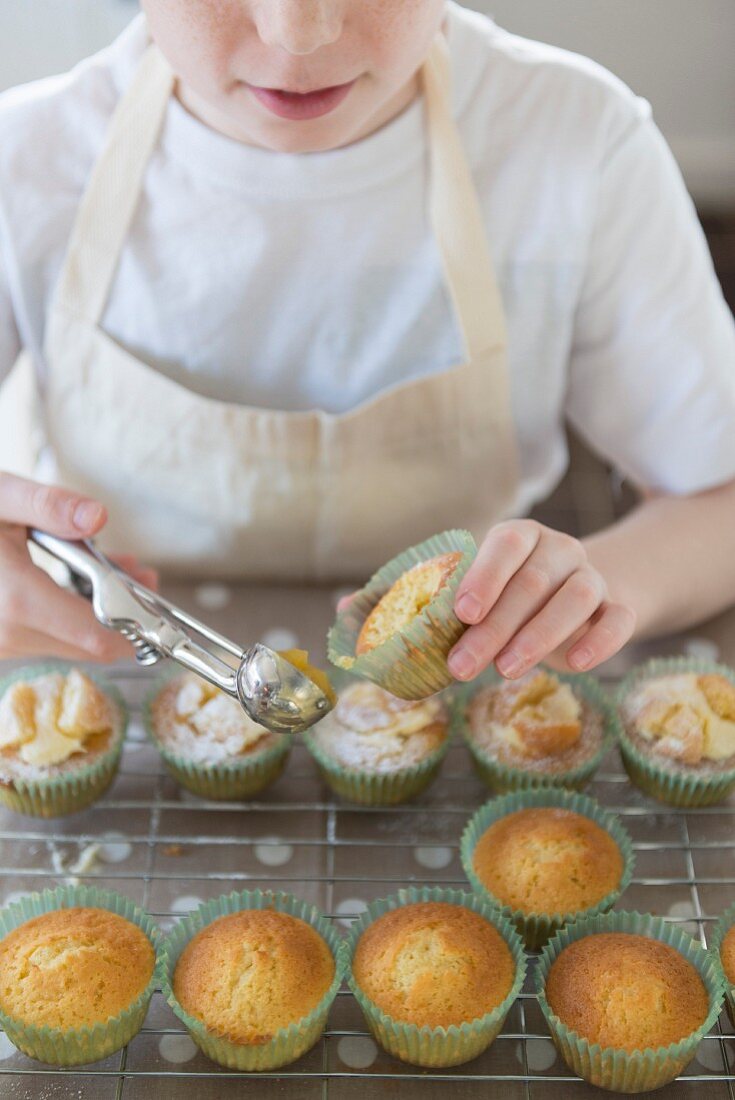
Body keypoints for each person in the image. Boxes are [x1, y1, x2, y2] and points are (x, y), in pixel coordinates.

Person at [0, 0, 734, 682]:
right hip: (112, 676)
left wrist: (598, 581)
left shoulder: (572, 142)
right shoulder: (28, 158)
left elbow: (718, 498)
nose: (298, 32)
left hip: (456, 677)